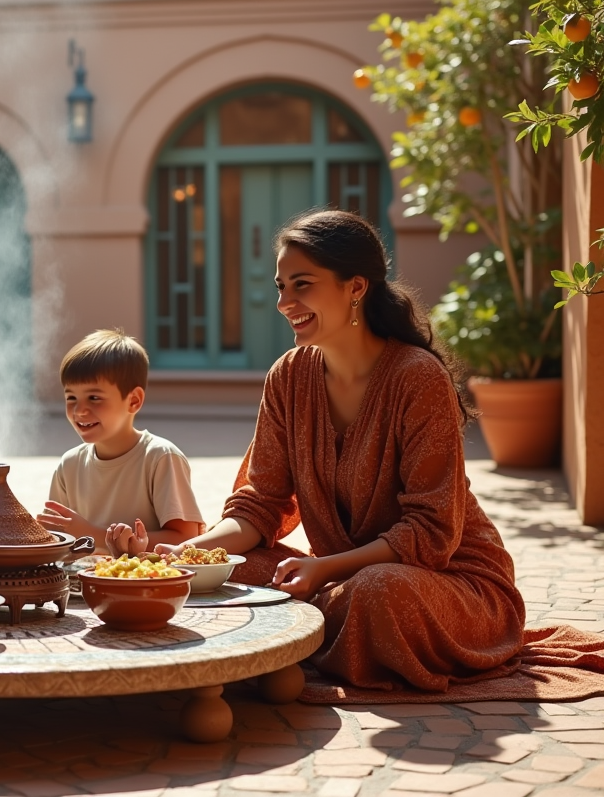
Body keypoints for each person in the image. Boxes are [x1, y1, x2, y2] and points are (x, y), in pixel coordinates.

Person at [158, 209, 525, 692]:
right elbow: (258, 506)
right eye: (280, 287)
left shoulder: (417, 377)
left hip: (443, 581)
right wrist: (184, 555)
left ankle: (291, 635)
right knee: (235, 571)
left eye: (302, 285)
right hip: (336, 578)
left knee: (377, 592)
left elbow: (432, 534)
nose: (284, 302)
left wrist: (323, 569)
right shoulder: (288, 376)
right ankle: (304, 630)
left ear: (356, 287)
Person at [37, 329, 204, 556]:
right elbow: (58, 540)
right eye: (71, 398)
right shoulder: (69, 465)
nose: (80, 410)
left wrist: (92, 533)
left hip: (147, 584)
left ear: (133, 401)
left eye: (94, 398)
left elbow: (187, 540)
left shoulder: (160, 457)